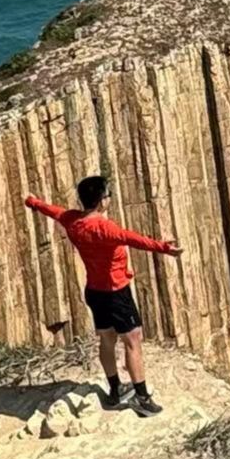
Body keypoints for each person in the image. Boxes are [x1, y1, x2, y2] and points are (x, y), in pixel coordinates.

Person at [25, 175, 183, 415]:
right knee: (133, 341)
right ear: (101, 201)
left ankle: (115, 390)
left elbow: (53, 211)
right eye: (108, 195)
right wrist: (164, 248)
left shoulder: (72, 220)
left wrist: (32, 202)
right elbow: (133, 239)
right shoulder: (104, 228)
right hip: (116, 292)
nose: (109, 198)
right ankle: (141, 398)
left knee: (107, 339)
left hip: (95, 291)